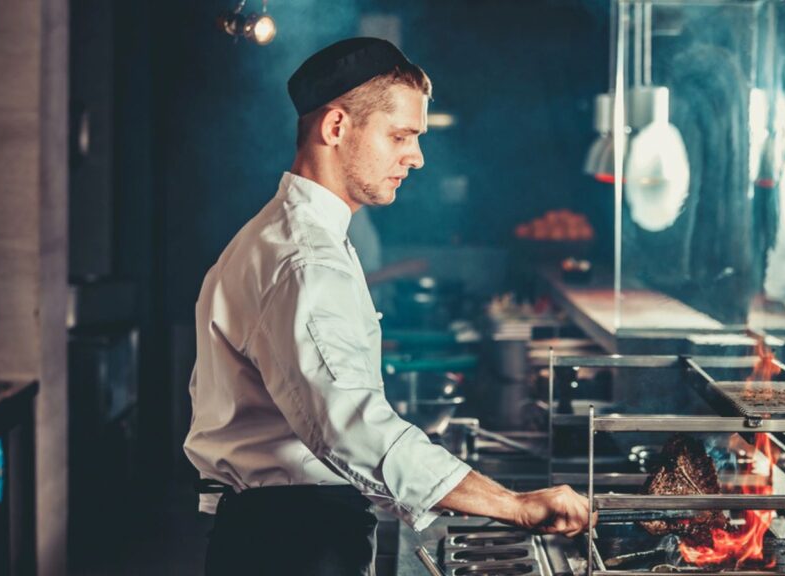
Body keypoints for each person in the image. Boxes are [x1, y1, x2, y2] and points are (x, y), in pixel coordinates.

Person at [184, 37, 591, 576]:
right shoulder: (304, 259)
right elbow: (350, 427)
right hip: (293, 542)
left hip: (282, 528)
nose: (416, 157)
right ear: (336, 128)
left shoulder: (292, 235)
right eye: (400, 135)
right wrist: (511, 504)